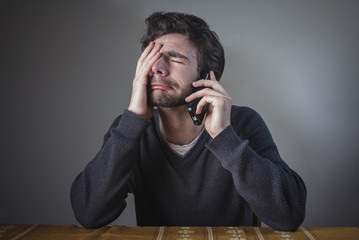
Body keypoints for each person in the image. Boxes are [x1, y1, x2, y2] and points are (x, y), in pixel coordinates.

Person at [70, 11, 307, 231]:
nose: (157, 69)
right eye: (151, 58)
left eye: (175, 59)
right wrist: (133, 120)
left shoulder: (243, 123)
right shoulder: (130, 130)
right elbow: (89, 213)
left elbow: (289, 215)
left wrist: (225, 138)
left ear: (206, 76)